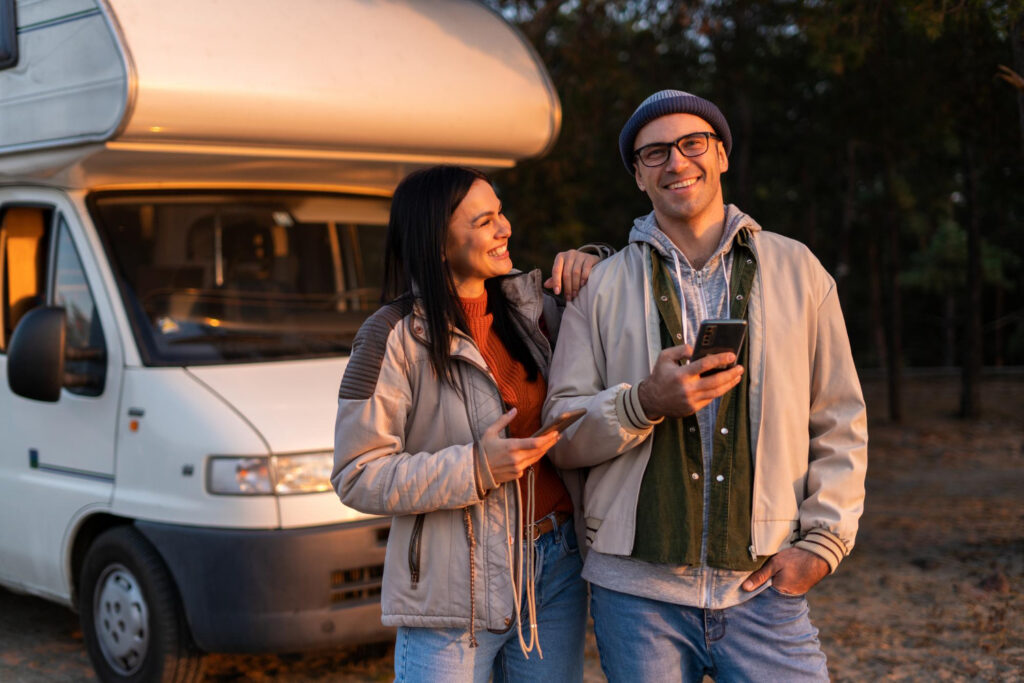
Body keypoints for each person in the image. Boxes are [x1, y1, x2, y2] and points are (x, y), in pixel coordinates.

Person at [544, 89, 869, 682]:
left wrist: (824, 543)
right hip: (636, 595)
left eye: (693, 143)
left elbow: (839, 419)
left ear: (721, 155)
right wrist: (643, 404)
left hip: (763, 588)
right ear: (639, 177)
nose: (676, 161)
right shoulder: (602, 287)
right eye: (654, 153)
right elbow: (559, 434)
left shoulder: (799, 270)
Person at [332, 165, 603, 682]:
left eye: (501, 214)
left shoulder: (533, 310)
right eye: (484, 221)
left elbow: (618, 315)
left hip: (555, 568)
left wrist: (593, 262)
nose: (504, 229)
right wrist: (476, 468)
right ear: (437, 245)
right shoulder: (392, 337)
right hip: (454, 584)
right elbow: (356, 473)